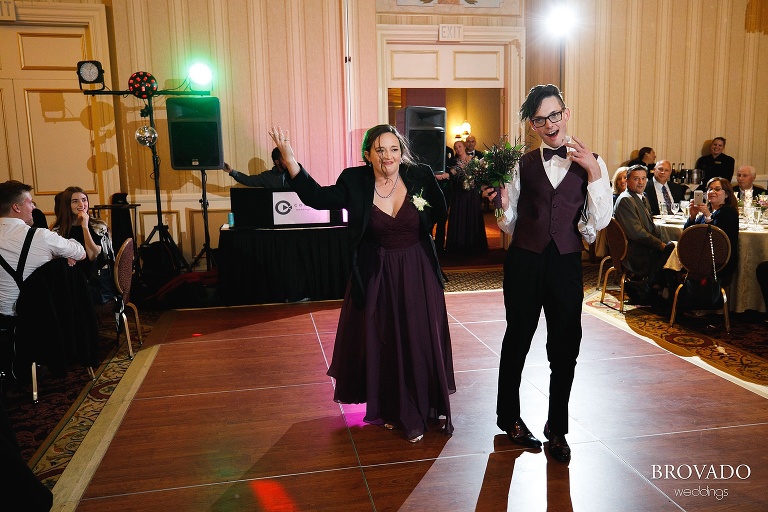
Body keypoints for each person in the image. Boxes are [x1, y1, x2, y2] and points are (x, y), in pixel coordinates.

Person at [269, 124, 455, 443]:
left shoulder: (419, 176)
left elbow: (437, 210)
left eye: (393, 149)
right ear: (367, 154)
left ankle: (422, 404)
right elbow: (318, 198)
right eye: (379, 150)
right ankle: (396, 407)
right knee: (387, 342)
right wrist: (291, 161)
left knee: (418, 340)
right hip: (378, 273)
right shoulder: (354, 181)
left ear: (401, 151)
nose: (387, 156)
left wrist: (416, 213)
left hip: (418, 272)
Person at [484, 84, 612, 463]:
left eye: (554, 115)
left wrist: (592, 173)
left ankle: (557, 428)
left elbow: (596, 223)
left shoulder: (595, 163)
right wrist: (501, 203)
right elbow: (509, 223)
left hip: (566, 265)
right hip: (524, 261)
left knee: (565, 349)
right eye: (540, 119)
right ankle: (509, 419)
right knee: (517, 341)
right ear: (533, 125)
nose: (549, 124)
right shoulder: (520, 164)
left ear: (566, 113)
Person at [0, 181, 86, 317]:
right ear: (16, 207)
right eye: (30, 202)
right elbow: (80, 253)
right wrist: (60, 254)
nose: (34, 207)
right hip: (32, 320)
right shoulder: (40, 236)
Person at [613, 165, 675, 300]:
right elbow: (637, 233)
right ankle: (652, 287)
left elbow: (649, 228)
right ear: (627, 181)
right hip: (637, 253)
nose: (641, 182)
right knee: (672, 250)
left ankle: (656, 288)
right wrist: (660, 245)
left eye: (643, 178)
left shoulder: (642, 197)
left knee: (673, 248)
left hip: (644, 248)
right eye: (636, 179)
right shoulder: (626, 199)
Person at [51, 187, 114, 299]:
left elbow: (92, 256)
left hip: (95, 281)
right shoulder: (58, 229)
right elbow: (52, 257)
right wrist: (65, 257)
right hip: (68, 278)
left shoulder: (98, 226)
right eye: (75, 201)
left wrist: (85, 226)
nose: (81, 204)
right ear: (67, 205)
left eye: (84, 200)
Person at [684, 177, 739, 282]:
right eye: (710, 189)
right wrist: (692, 216)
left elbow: (718, 239)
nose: (712, 192)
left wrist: (708, 216)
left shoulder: (727, 211)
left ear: (727, 194)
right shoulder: (709, 212)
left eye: (717, 189)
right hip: (704, 257)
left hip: (719, 261)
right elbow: (687, 235)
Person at [446, 139, 488, 254]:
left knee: (472, 217)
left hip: (472, 194)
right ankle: (459, 246)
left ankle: (473, 245)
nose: (458, 149)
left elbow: (480, 175)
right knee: (460, 218)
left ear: (464, 147)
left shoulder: (473, 160)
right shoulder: (454, 163)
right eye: (456, 148)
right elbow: (452, 174)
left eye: (459, 146)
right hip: (459, 194)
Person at [223, 147, 291, 188]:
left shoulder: (295, 173)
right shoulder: (267, 176)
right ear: (277, 162)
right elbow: (248, 180)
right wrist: (231, 171)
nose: (289, 160)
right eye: (285, 158)